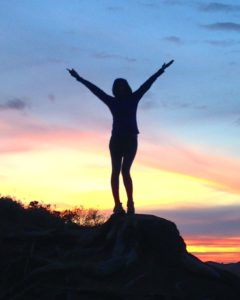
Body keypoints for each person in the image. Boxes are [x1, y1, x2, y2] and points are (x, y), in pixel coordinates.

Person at [67, 60, 174, 215]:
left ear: (127, 87)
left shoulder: (134, 98)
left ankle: (131, 203)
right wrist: (79, 78)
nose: (121, 89)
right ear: (115, 89)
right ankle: (117, 205)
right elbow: (95, 90)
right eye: (118, 87)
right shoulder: (112, 101)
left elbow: (147, 84)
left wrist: (160, 70)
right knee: (115, 171)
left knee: (126, 171)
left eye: (123, 86)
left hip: (131, 139)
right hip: (116, 140)